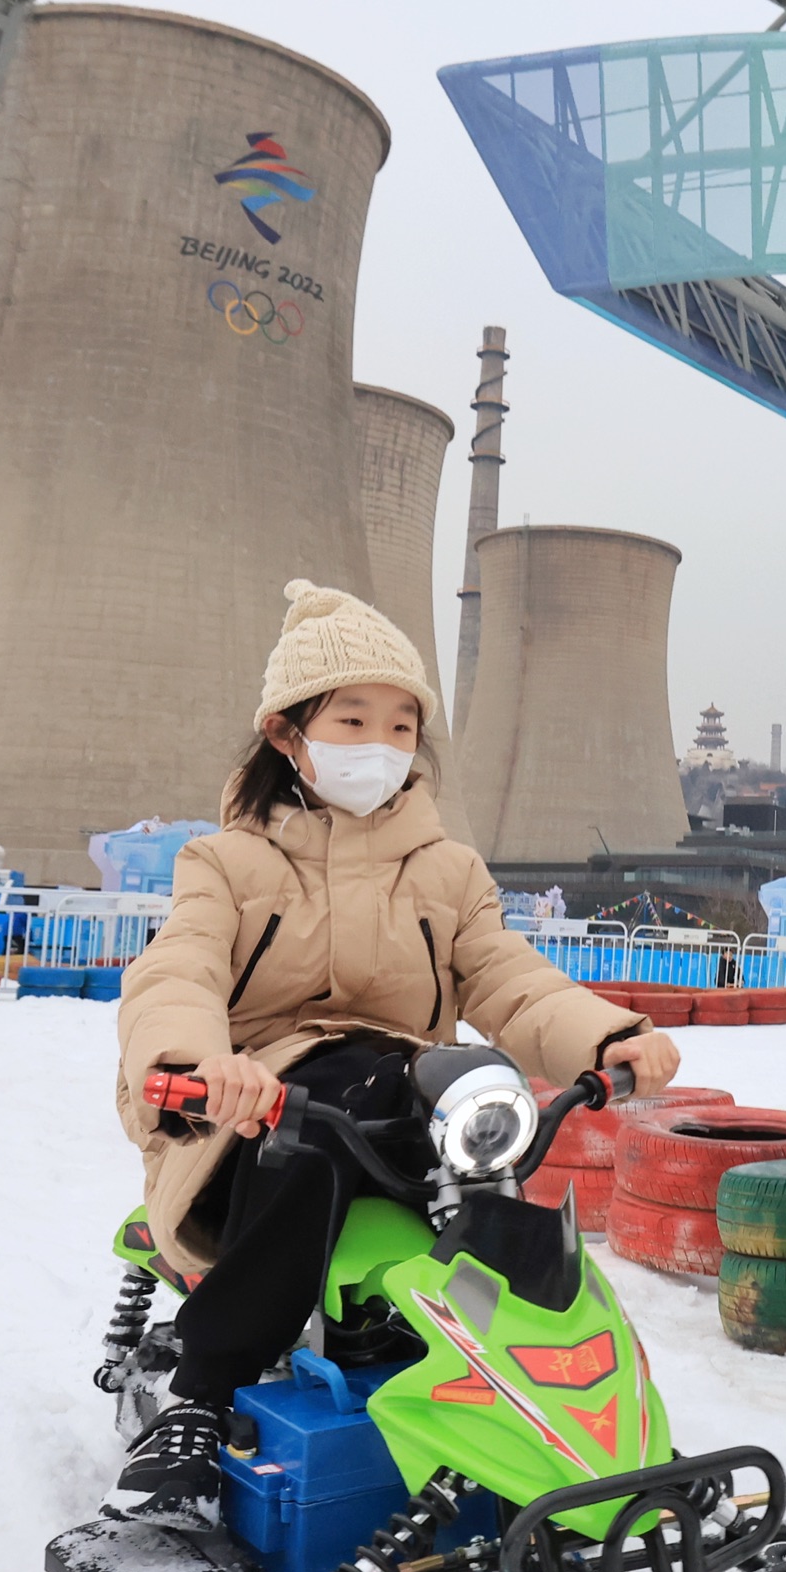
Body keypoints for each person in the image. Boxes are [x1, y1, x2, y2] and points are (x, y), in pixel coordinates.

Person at [107, 579, 681, 1515]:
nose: (380, 742)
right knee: (345, 1096)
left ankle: (578, 1426)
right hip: (258, 1113)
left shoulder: (449, 871)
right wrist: (197, 1063)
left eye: (402, 724)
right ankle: (202, 1393)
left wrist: (608, 1034)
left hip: (413, 1101)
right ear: (286, 733)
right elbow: (179, 971)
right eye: (352, 718)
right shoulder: (224, 864)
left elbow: (508, 976)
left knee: (490, 1115)